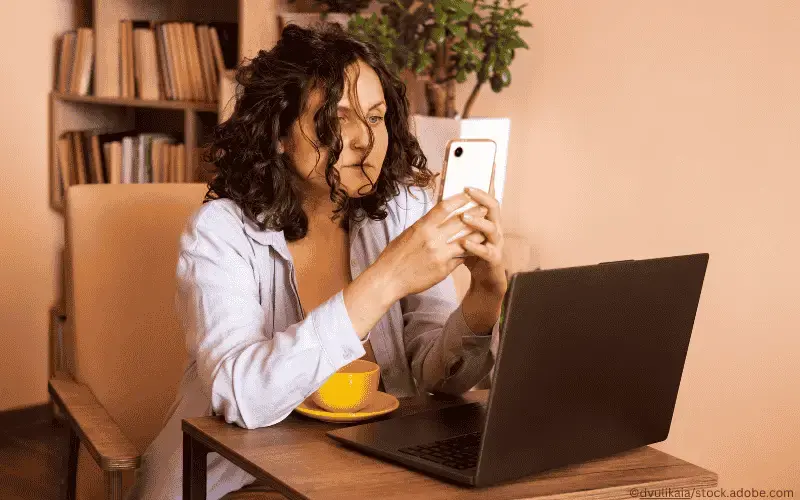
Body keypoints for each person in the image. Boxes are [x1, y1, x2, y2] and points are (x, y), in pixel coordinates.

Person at [125, 22, 507, 500]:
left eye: (375, 115)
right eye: (337, 118)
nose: (367, 140)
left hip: (364, 470)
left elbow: (435, 377)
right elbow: (242, 395)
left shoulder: (401, 211)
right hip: (238, 480)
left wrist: (485, 297)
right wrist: (385, 279)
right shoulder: (220, 233)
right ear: (280, 133)